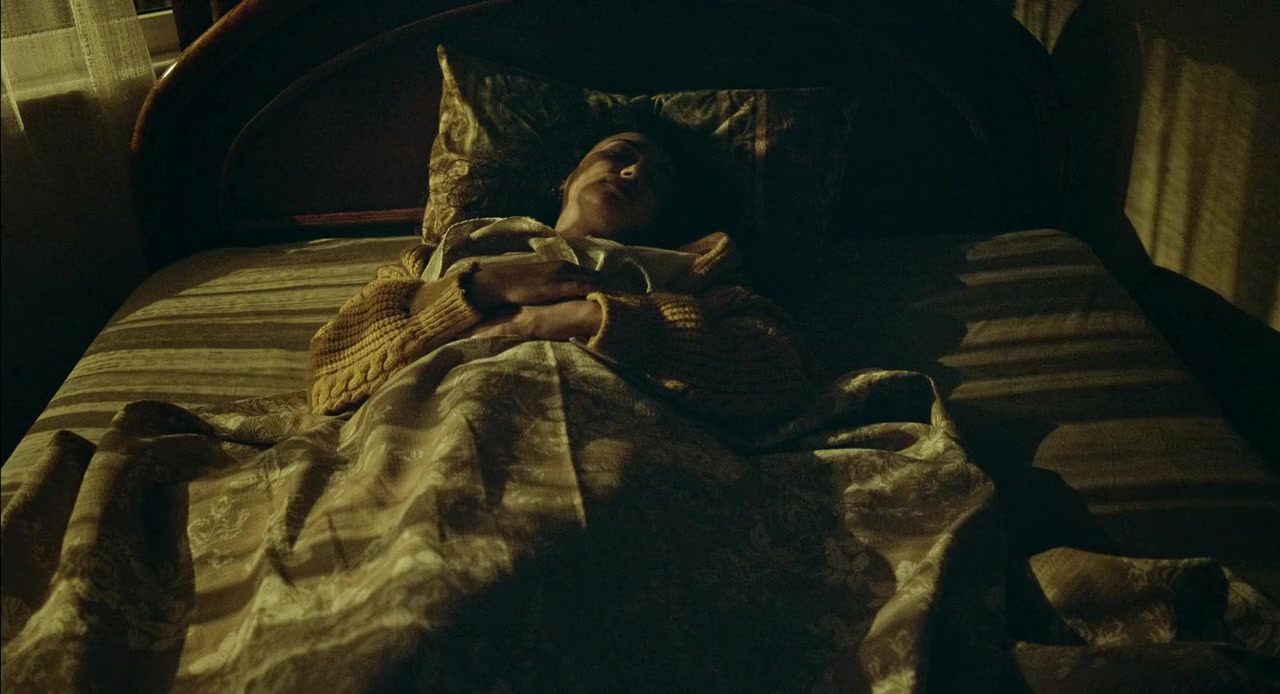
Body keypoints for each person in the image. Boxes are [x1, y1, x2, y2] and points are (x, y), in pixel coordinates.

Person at [306, 121, 812, 428]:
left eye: (658, 179)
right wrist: (486, 287)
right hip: (435, 431)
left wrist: (585, 319)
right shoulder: (450, 250)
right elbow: (331, 368)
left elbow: (779, 369)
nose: (635, 172)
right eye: (620, 155)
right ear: (567, 176)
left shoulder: (690, 269)